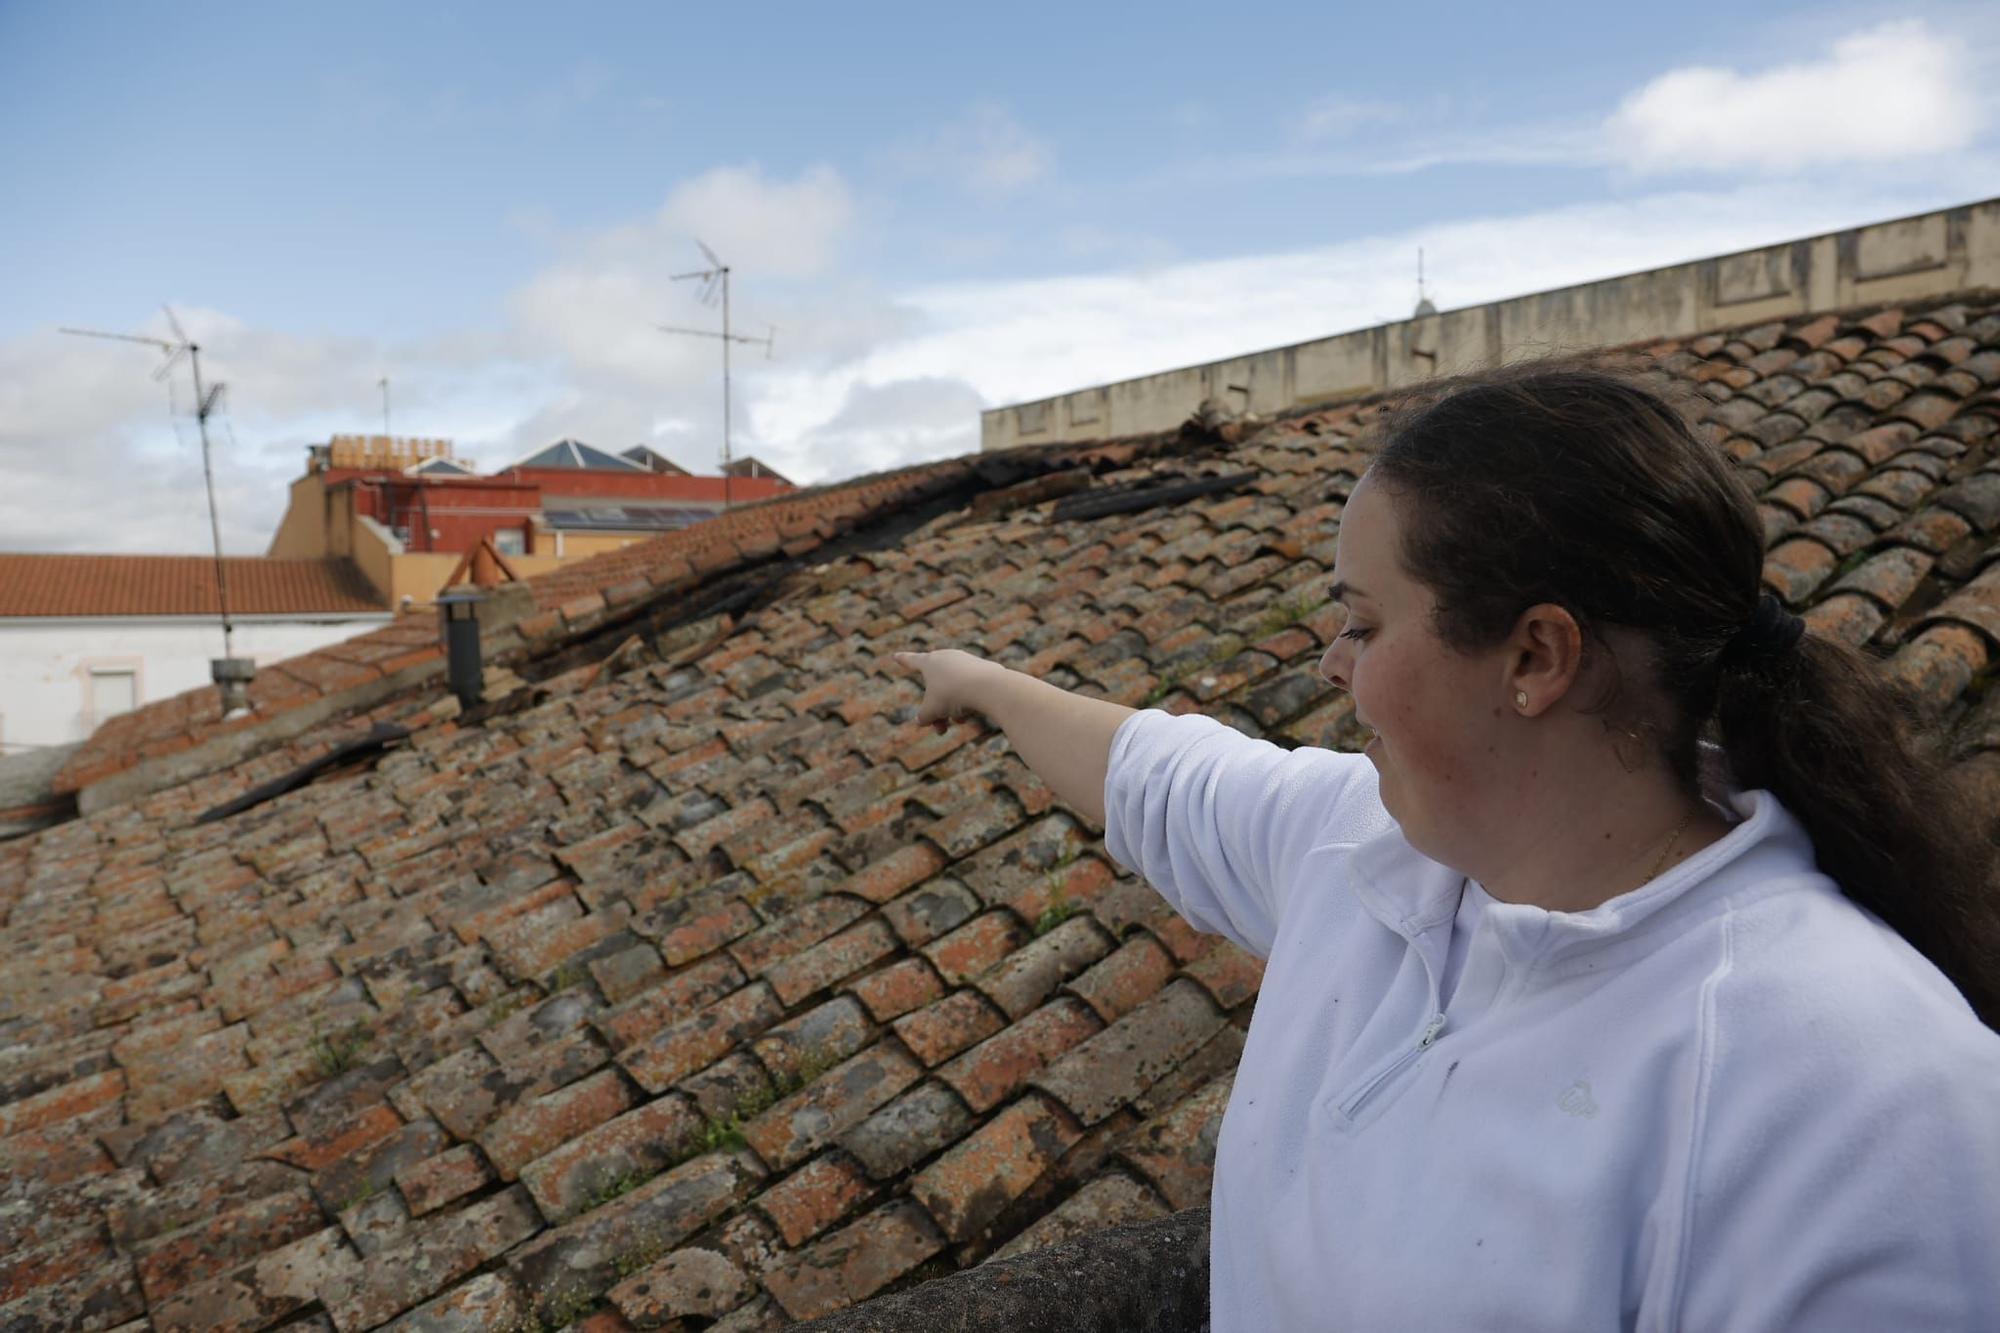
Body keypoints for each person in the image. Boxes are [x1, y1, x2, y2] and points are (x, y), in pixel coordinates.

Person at [894, 365, 2000, 1331]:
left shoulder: (1860, 1097)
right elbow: (1155, 771)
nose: (1331, 663)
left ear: (1534, 655)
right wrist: (982, 685)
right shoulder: (1371, 850)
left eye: (1364, 624)